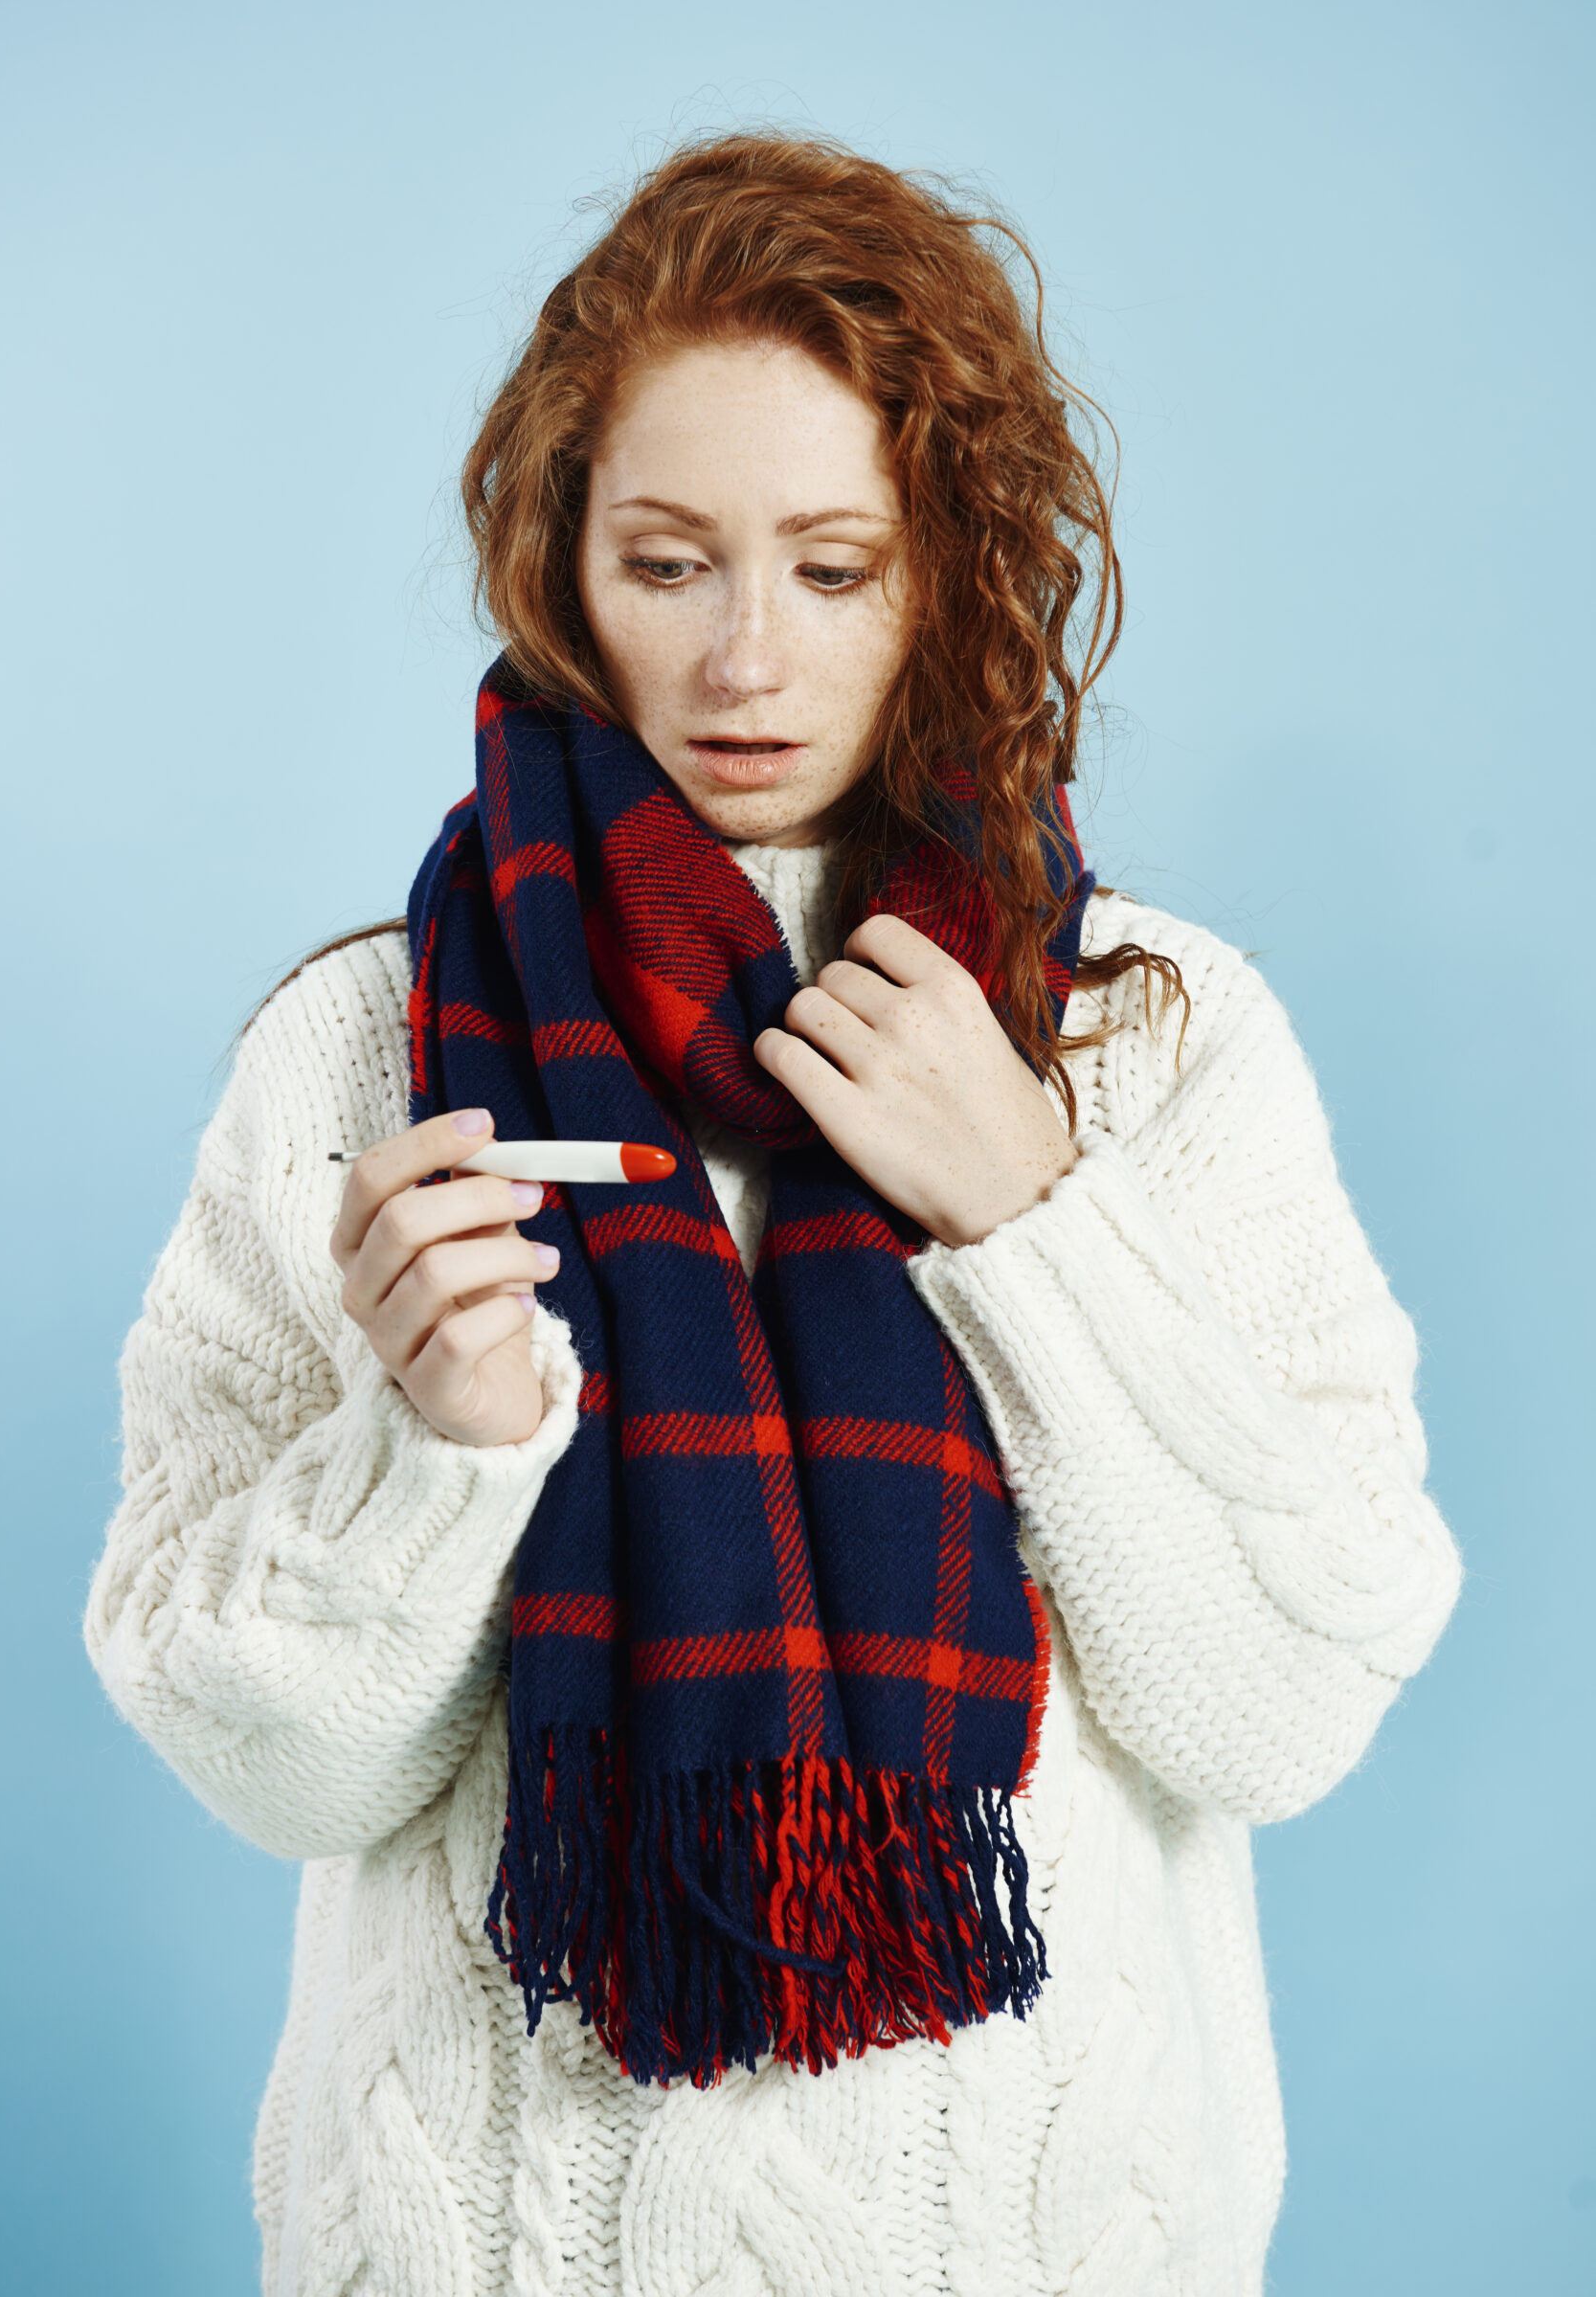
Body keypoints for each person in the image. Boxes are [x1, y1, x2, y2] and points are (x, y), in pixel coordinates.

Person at [85, 132, 1463, 2297]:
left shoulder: (1143, 1037)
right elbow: (269, 1770)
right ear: (565, 563)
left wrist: (1027, 1216)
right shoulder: (366, 1046)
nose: (747, 658)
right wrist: (434, 1449)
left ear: (949, 570)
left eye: (834, 568)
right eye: (670, 563)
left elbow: (1284, 1703)